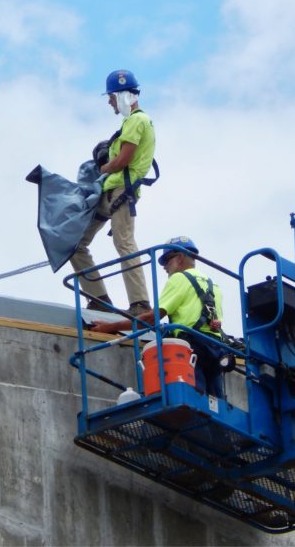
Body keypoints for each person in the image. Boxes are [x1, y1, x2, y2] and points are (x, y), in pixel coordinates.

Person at [90, 236, 231, 397]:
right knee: (215, 403)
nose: (164, 268)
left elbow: (151, 319)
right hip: (215, 349)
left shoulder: (179, 278)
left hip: (192, 348)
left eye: (166, 260)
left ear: (180, 257)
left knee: (192, 397)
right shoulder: (214, 285)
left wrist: (110, 327)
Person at [70, 69, 155, 316]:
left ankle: (140, 304)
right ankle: (98, 298)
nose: (109, 102)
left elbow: (123, 160)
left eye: (111, 97)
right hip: (109, 192)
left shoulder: (138, 120)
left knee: (124, 242)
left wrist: (104, 167)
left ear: (123, 95)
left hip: (121, 191)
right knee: (76, 243)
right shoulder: (129, 123)